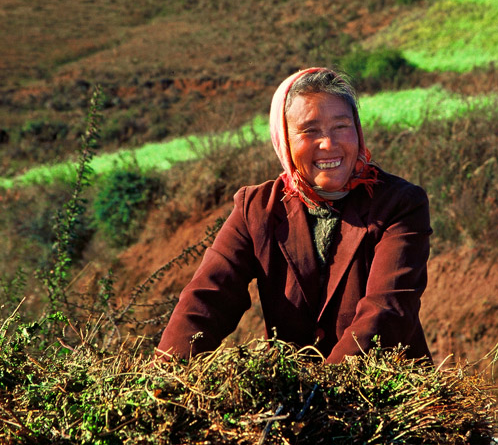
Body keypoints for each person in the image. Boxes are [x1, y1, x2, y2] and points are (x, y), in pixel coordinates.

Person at [157, 67, 432, 363]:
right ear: (284, 140)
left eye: (341, 126)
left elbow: (387, 310)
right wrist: (168, 376)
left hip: (381, 390)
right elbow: (207, 298)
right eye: (310, 130)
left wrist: (325, 390)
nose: (329, 144)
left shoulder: (399, 204)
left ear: (358, 130)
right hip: (295, 396)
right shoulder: (257, 208)